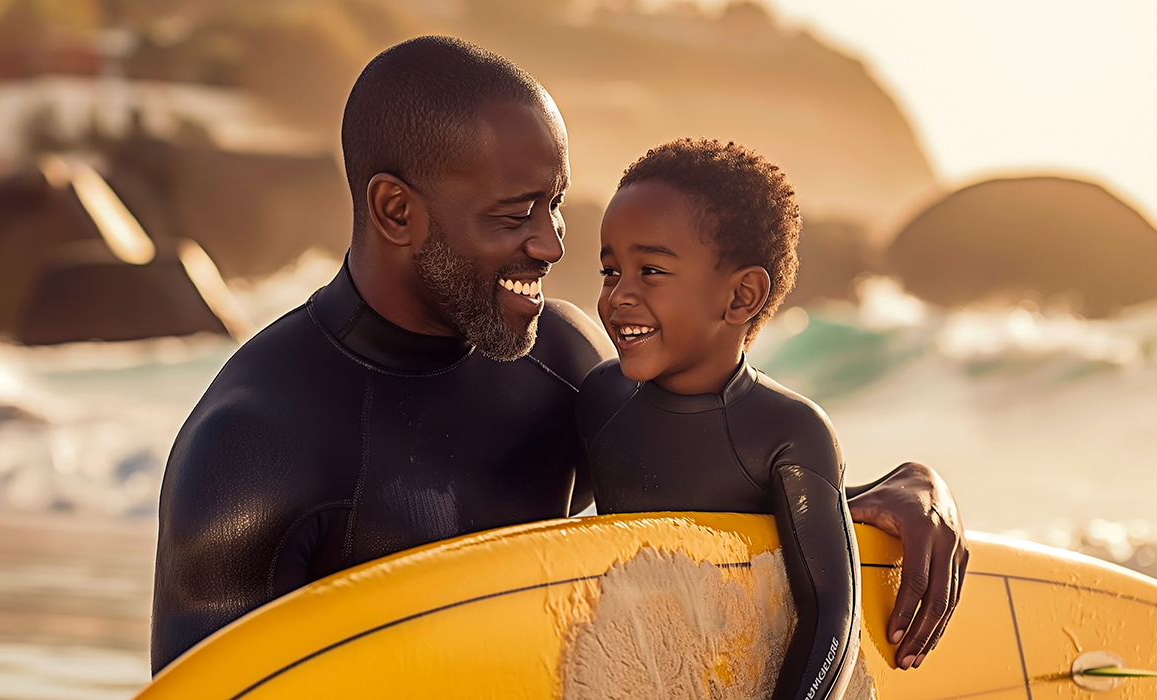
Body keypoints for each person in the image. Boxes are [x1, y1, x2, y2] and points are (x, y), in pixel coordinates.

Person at [151, 36, 968, 676]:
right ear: (397, 211)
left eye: (555, 203)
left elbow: (706, 490)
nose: (549, 244)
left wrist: (882, 492)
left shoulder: (564, 361)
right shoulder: (253, 451)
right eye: (515, 214)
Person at [579, 138, 862, 698]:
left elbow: (832, 618)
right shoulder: (599, 399)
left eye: (651, 270)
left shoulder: (788, 433)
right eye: (611, 271)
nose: (618, 296)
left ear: (742, 296)